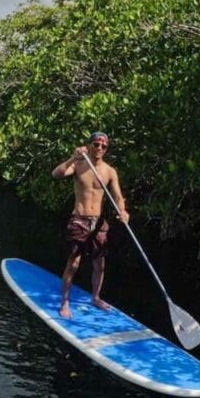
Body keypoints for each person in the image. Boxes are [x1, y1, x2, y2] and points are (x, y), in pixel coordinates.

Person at [51, 131, 130, 319]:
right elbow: (56, 174)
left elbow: (118, 196)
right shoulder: (79, 164)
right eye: (96, 144)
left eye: (104, 146)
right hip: (79, 219)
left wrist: (123, 210)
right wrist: (72, 157)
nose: (100, 148)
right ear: (90, 145)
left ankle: (95, 297)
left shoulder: (110, 171)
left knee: (99, 264)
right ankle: (65, 302)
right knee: (74, 263)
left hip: (99, 222)